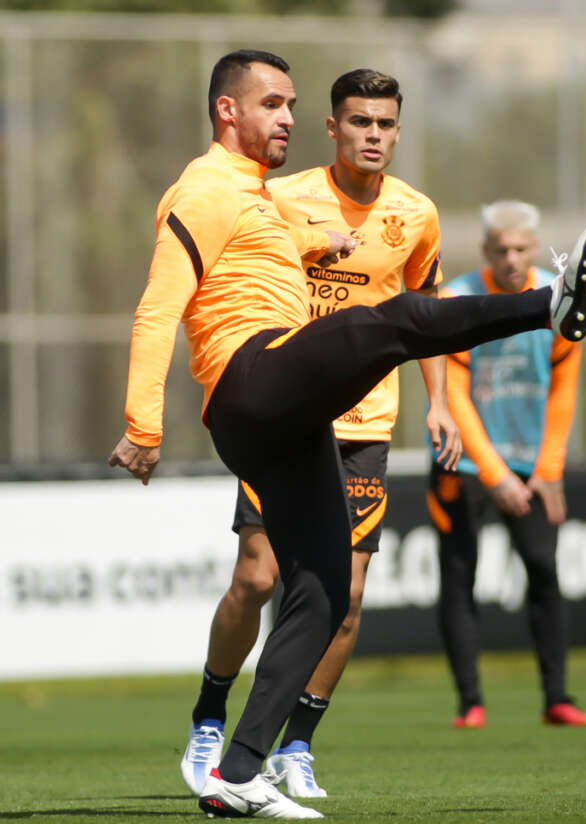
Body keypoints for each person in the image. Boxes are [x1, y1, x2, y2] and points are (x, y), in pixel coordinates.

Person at [107, 49, 586, 820]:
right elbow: (158, 305)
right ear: (227, 111)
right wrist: (143, 424)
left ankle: (240, 771)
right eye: (272, 104)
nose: (287, 117)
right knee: (395, 321)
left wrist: (318, 248)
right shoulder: (204, 186)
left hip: (285, 419)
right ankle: (551, 303)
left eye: (291, 104)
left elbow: (256, 257)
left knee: (324, 590)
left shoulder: (256, 196)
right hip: (252, 378)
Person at [178, 68, 462, 801]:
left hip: (366, 425)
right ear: (333, 128)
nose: (374, 135)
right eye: (360, 122)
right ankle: (209, 715)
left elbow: (426, 310)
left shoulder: (417, 214)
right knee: (257, 577)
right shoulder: (281, 198)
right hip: (292, 413)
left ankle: (295, 743)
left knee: (349, 595)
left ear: (398, 131)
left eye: (386, 124)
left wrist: (440, 403)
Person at [426, 200, 586, 730]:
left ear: (535, 246)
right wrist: (494, 474)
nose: (511, 258)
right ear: (485, 250)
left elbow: (565, 387)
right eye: (501, 250)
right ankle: (470, 703)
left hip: (532, 464)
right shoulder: (457, 299)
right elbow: (454, 395)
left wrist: (549, 469)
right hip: (462, 463)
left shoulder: (558, 294)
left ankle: (557, 698)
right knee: (459, 577)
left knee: (544, 570)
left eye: (521, 248)